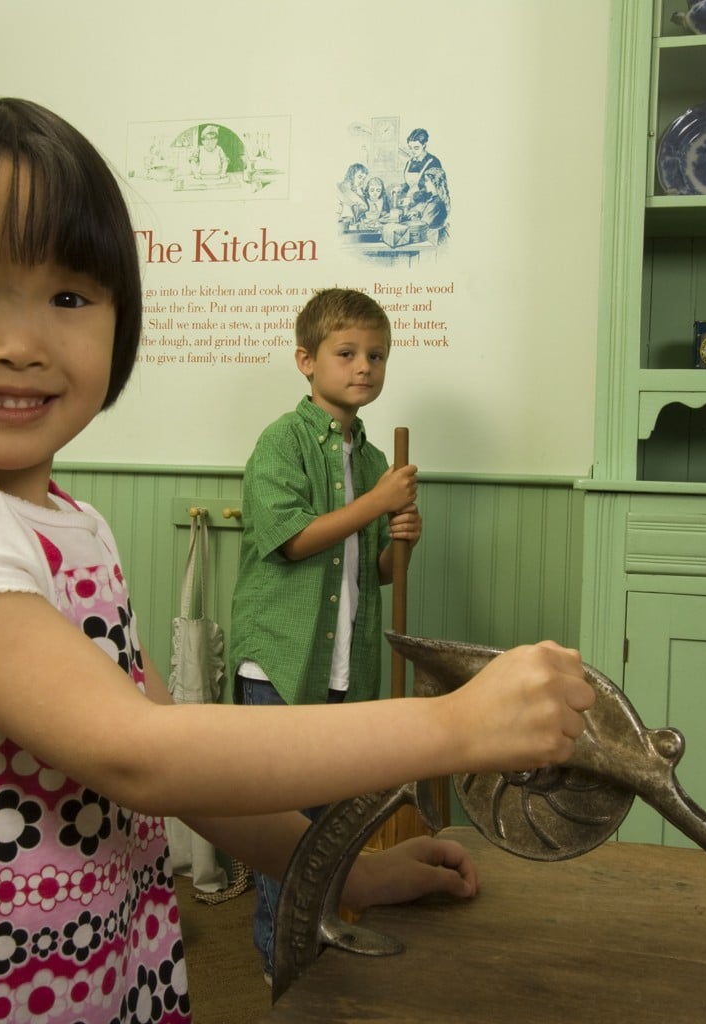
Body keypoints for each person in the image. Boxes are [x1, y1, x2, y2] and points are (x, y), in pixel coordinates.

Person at [0, 97, 593, 1024]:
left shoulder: (71, 525)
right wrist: (457, 726)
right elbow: (143, 757)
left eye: (70, 298)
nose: (22, 341)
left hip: (96, 981)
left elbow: (189, 761)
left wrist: (346, 869)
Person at [227, 287, 421, 982]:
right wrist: (377, 504)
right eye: (347, 353)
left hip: (342, 669)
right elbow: (290, 542)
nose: (363, 366)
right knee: (289, 834)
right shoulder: (282, 443)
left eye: (376, 355)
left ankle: (318, 942)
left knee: (331, 827)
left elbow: (375, 574)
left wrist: (401, 540)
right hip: (283, 664)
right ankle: (283, 959)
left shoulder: (371, 462)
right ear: (307, 361)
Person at [402, 127, 444, 194]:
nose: (412, 151)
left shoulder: (433, 162)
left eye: (416, 148)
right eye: (410, 148)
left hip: (429, 202)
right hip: (411, 200)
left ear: (424, 145)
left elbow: (437, 189)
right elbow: (410, 185)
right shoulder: (410, 162)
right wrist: (401, 188)